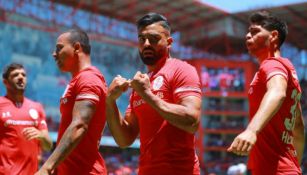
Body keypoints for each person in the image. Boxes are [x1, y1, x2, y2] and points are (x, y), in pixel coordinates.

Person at [106, 13, 202, 175]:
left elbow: (192, 121)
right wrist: (110, 102)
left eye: (154, 38)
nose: (147, 44)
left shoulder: (182, 70)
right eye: (142, 39)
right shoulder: (141, 83)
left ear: (169, 42)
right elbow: (124, 139)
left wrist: (147, 94)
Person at [227, 11, 305, 174]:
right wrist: (292, 166)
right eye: (248, 32)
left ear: (273, 36)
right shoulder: (288, 71)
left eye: (255, 32)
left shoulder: (272, 64)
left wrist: (251, 130)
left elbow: (277, 92)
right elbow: (297, 128)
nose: (248, 36)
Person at [36, 29, 108, 175]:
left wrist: (47, 167)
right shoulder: (76, 80)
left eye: (59, 48)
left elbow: (79, 125)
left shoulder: (88, 79)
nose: (54, 54)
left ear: (76, 48)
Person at [0, 63, 52, 175]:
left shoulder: (37, 107)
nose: (20, 77)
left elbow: (48, 146)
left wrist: (41, 135)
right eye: (15, 75)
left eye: (23, 75)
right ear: (5, 82)